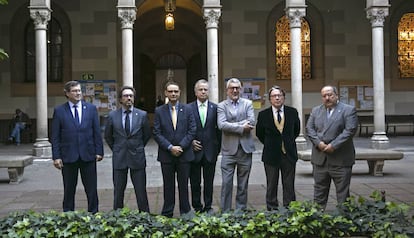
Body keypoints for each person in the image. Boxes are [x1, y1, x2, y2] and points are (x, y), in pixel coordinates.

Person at [51, 80, 104, 213]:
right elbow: (55, 136)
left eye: (79, 90)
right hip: (68, 156)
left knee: (91, 188)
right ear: (67, 93)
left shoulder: (91, 109)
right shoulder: (59, 111)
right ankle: (68, 213)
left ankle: (94, 212)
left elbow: (97, 132)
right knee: (69, 188)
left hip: (88, 154)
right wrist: (56, 156)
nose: (78, 93)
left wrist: (99, 151)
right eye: (74, 91)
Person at [306, 85, 358, 209]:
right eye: (324, 96)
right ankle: (317, 221)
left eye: (330, 95)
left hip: (340, 159)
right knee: (319, 194)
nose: (327, 98)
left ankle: (344, 221)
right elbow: (309, 129)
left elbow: (350, 130)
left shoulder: (348, 110)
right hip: (320, 159)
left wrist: (333, 145)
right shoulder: (316, 111)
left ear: (336, 95)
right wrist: (319, 143)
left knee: (343, 195)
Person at [153, 81, 196, 217]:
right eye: (170, 91)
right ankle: (167, 212)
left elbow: (192, 130)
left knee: (184, 185)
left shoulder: (188, 109)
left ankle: (185, 211)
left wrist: (181, 147)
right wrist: (170, 147)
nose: (173, 94)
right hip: (167, 155)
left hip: (184, 154)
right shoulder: (159, 111)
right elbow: (156, 132)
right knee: (168, 186)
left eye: (176, 91)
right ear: (165, 93)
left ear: (179, 93)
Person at [104, 86, 151, 212]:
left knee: (141, 190)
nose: (129, 98)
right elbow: (108, 136)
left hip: (137, 156)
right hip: (120, 157)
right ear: (120, 99)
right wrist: (117, 148)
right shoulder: (112, 116)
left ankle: (145, 215)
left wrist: (138, 146)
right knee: (118, 191)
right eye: (125, 96)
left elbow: (146, 135)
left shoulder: (142, 115)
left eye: (131, 96)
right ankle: (118, 215)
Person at [256, 86, 300, 210]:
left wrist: (287, 143)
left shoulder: (292, 112)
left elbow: (296, 130)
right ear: (270, 99)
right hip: (271, 155)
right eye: (274, 96)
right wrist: (272, 144)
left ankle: (290, 208)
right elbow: (260, 134)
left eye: (279, 95)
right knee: (271, 184)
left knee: (289, 184)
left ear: (283, 98)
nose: (277, 98)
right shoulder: (263, 115)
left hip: (289, 154)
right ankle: (272, 208)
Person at [217, 77, 255, 212]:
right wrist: (240, 127)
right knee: (226, 183)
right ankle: (225, 211)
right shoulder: (221, 106)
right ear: (227, 90)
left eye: (237, 88)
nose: (234, 90)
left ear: (240, 89)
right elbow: (221, 125)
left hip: (245, 150)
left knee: (243, 184)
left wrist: (232, 125)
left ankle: (241, 210)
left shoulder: (248, 103)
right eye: (232, 88)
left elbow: (251, 122)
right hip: (228, 151)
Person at [188, 79, 221, 213]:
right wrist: (190, 143)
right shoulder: (188, 108)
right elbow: (183, 129)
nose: (203, 92)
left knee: (209, 182)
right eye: (200, 89)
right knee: (195, 183)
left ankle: (208, 206)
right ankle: (197, 206)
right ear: (195, 92)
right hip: (194, 151)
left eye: (205, 89)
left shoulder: (216, 108)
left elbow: (219, 131)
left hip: (210, 152)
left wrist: (217, 149)